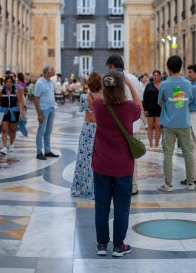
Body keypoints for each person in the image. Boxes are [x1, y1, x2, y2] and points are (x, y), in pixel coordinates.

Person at [92, 69, 142, 257]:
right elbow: (139, 105)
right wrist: (129, 84)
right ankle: (119, 245)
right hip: (123, 165)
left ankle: (102, 244)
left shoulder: (98, 105)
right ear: (121, 87)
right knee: (122, 205)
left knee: (102, 205)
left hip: (102, 163)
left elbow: (98, 96)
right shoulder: (129, 107)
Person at [106, 54, 142, 195]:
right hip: (134, 124)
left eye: (109, 67)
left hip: (117, 125)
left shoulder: (110, 79)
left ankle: (118, 185)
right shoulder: (134, 79)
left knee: (116, 155)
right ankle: (133, 186)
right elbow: (140, 100)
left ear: (113, 67)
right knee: (132, 156)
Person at [157, 55, 194, 192]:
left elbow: (160, 102)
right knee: (188, 153)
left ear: (168, 68)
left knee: (168, 153)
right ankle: (191, 183)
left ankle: (168, 185)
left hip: (169, 123)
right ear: (181, 66)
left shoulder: (164, 84)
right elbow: (189, 100)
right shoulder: (188, 83)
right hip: (184, 122)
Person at [71, 72, 103, 199]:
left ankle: (82, 187)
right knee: (98, 158)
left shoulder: (84, 97)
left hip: (87, 129)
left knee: (84, 159)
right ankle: (97, 187)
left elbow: (81, 110)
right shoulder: (104, 97)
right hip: (99, 129)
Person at [0, 76, 23, 155]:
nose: (8, 83)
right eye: (7, 81)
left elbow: (20, 102)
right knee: (4, 130)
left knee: (12, 130)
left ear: (12, 83)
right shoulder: (1, 91)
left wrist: (21, 113)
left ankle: (11, 144)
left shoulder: (15, 92)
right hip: (3, 112)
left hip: (13, 112)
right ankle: (4, 147)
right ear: (5, 83)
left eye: (10, 82)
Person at [34, 65, 59, 160]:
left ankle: (47, 151)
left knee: (48, 131)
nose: (54, 71)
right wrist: (39, 114)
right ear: (48, 72)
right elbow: (36, 98)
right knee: (41, 131)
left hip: (52, 108)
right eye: (52, 70)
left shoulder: (50, 82)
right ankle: (39, 152)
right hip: (44, 110)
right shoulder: (40, 83)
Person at [143, 70, 162, 150]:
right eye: (154, 75)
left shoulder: (163, 85)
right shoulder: (149, 85)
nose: (156, 77)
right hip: (150, 108)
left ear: (160, 76)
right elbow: (145, 97)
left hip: (160, 109)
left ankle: (157, 145)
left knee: (158, 127)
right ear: (153, 76)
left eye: (157, 75)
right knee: (150, 127)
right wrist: (145, 109)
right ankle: (151, 145)